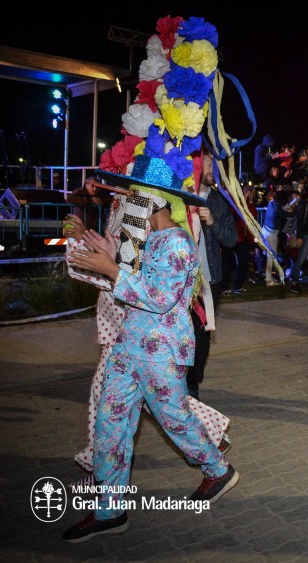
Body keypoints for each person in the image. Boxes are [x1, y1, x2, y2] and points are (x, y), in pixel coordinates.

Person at [63, 163, 239, 543]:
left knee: (176, 420)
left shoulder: (177, 241)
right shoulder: (144, 238)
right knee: (110, 427)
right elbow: (131, 279)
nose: (127, 200)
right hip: (128, 346)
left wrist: (112, 269)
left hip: (161, 353)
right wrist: (110, 255)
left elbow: (158, 299)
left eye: (134, 194)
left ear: (156, 199)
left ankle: (217, 469)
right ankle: (109, 510)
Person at [188, 152, 237, 400]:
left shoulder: (217, 201)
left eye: (213, 165)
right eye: (207, 164)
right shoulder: (180, 197)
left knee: (201, 333)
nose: (211, 169)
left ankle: (192, 385)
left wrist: (212, 221)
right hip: (180, 280)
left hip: (208, 280)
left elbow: (231, 239)